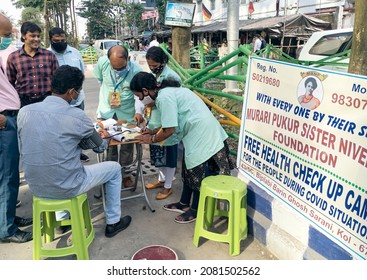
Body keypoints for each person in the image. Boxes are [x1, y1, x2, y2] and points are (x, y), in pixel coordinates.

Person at [17, 65, 132, 238]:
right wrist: (105, 136)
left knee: (54, 164)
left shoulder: (24, 112)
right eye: (78, 91)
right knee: (114, 169)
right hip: (68, 185)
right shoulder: (76, 116)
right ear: (71, 92)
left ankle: (62, 220)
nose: (77, 95)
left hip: (36, 186)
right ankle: (113, 222)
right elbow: (100, 147)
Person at [130, 72, 234, 224]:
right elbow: (169, 122)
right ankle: (184, 203)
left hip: (203, 134)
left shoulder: (164, 97)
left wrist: (151, 139)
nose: (141, 100)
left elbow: (169, 129)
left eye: (140, 96)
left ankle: (195, 210)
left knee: (198, 174)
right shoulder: (166, 93)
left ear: (146, 91)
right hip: (198, 132)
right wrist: (152, 131)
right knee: (188, 170)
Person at [0, 13, 32, 243]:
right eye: (4, 34)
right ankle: (7, 229)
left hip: (9, 117)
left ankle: (7, 218)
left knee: (9, 174)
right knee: (8, 176)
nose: (8, 38)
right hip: (3, 121)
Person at [93, 45, 144, 188]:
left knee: (127, 147)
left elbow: (139, 97)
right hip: (106, 112)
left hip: (126, 114)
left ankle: (126, 174)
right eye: (114, 67)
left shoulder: (136, 72)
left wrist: (139, 112)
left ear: (128, 59)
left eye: (120, 68)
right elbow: (100, 81)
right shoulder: (103, 63)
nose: (117, 70)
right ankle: (110, 174)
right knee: (109, 145)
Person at [144, 46, 182, 200]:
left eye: (154, 65)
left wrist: (153, 102)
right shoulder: (155, 75)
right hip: (154, 120)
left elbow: (175, 100)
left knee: (169, 155)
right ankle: (161, 180)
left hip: (167, 121)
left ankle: (168, 186)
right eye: (150, 66)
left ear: (163, 61)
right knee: (159, 154)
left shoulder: (172, 77)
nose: (152, 68)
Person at [48, 27, 90, 163]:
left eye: (63, 40)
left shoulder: (75, 53)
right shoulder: (47, 55)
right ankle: (65, 156)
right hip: (60, 103)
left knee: (78, 128)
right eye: (57, 40)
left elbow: (82, 73)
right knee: (61, 131)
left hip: (77, 100)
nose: (61, 42)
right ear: (51, 40)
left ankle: (78, 152)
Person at [7, 21, 59, 107]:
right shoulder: (13, 57)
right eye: (32, 36)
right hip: (24, 103)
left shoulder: (49, 56)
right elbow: (10, 83)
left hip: (47, 101)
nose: (37, 39)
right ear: (24, 36)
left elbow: (57, 80)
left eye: (38, 36)